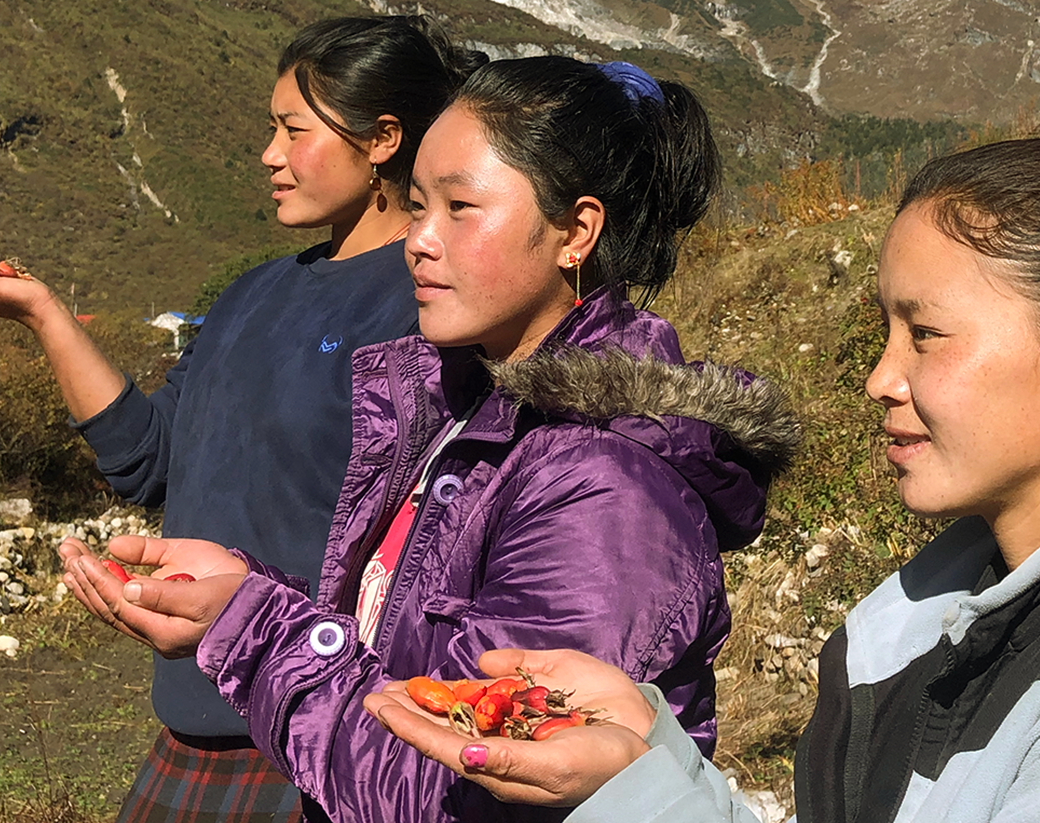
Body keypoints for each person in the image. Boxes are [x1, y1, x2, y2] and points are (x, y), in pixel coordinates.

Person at [363, 138, 1040, 823]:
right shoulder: (935, 616)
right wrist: (639, 761)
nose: (881, 378)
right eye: (885, 332)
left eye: (927, 335)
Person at [57, 56, 800, 822]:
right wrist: (247, 589)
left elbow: (444, 781)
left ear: (576, 232)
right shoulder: (461, 411)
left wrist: (249, 629)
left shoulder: (607, 492)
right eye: (417, 207)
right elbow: (401, 657)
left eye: (460, 208)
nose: (419, 241)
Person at [0, 14, 484, 823]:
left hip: (327, 737)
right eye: (270, 129)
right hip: (193, 714)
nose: (269, 154)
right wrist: (43, 313)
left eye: (292, 129)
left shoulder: (429, 307)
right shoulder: (251, 294)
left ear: (383, 137)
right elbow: (148, 462)